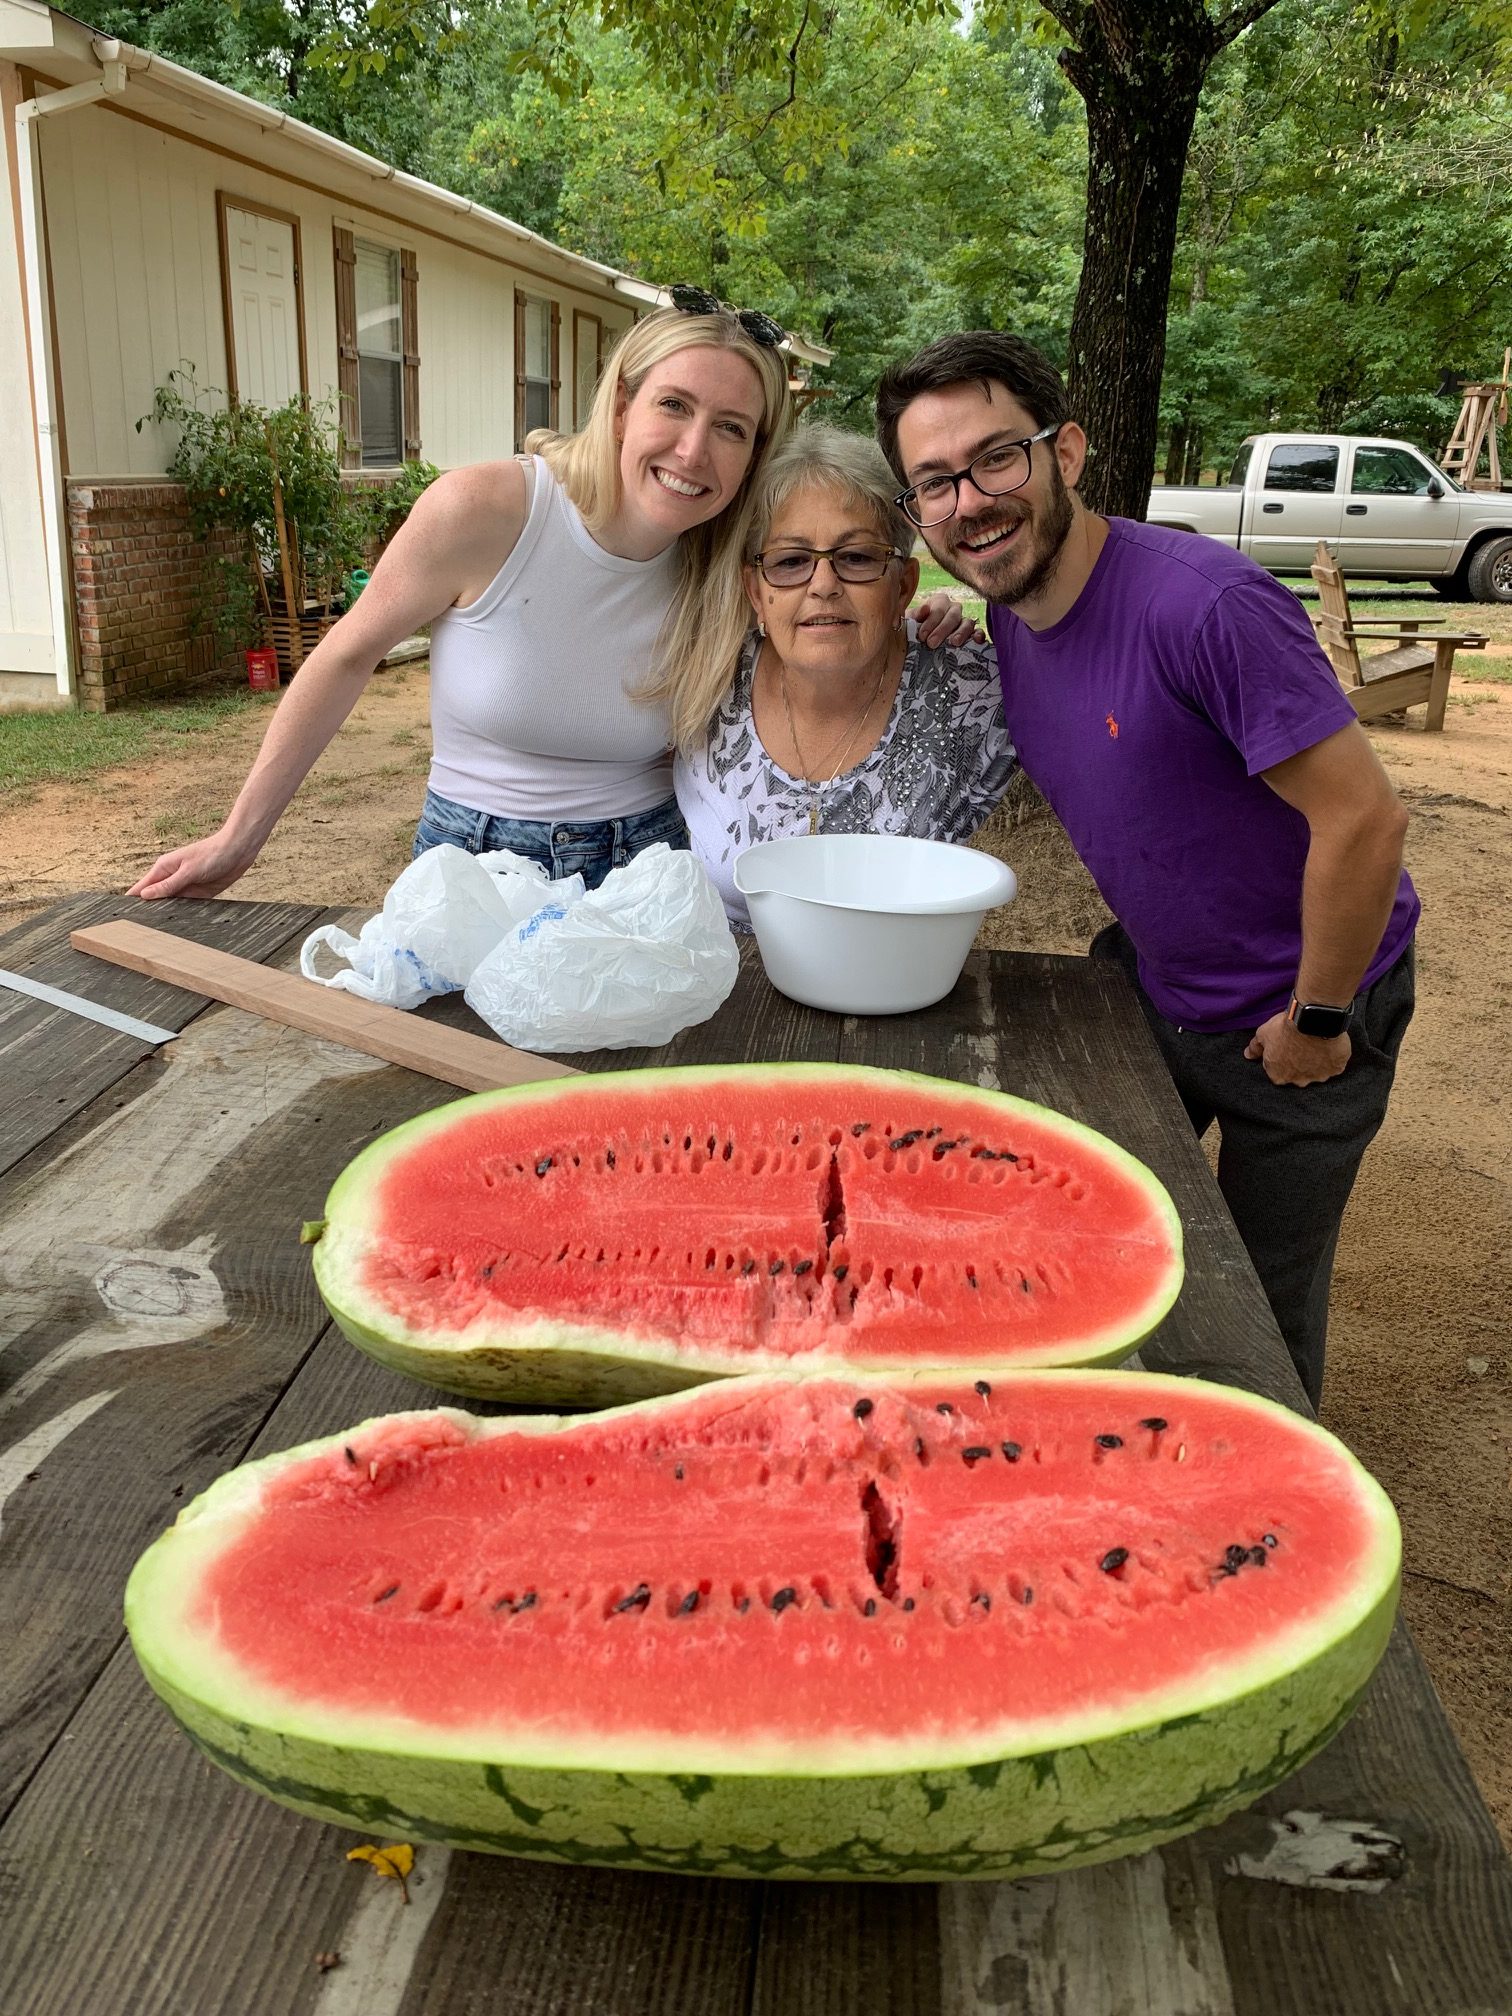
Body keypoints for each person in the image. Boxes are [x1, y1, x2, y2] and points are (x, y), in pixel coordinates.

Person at [876, 330, 1416, 1410]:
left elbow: (1365, 820)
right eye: (934, 483)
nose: (970, 501)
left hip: (1307, 1011)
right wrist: (953, 622)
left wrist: (1316, 1021)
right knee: (1091, 1240)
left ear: (1066, 451)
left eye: (996, 459)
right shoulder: (1011, 610)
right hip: (1158, 992)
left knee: (1258, 1306)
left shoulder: (1203, 605)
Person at [128, 292, 793, 901]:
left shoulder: (735, 567)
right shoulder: (487, 511)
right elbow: (347, 656)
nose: (693, 448)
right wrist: (238, 838)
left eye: (731, 427)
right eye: (673, 404)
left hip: (648, 874)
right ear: (622, 408)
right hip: (475, 866)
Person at [671, 425, 1017, 926]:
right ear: (754, 591)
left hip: (896, 986)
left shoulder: (977, 695)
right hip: (724, 989)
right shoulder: (705, 678)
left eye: (856, 558)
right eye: (791, 561)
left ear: (903, 586)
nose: (824, 585)